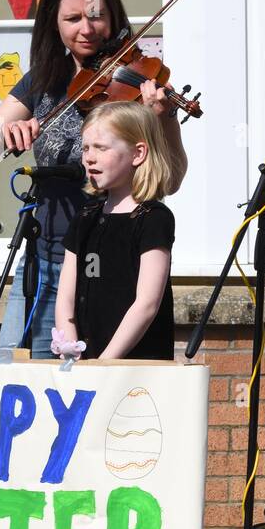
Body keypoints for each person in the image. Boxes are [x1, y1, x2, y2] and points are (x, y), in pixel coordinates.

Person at [0, 0, 186, 357]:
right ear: (53, 23)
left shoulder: (138, 81)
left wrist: (163, 118)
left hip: (117, 266)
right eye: (72, 18)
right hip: (47, 261)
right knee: (17, 373)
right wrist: (4, 137)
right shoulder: (43, 80)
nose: (86, 29)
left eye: (96, 16)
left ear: (113, 15)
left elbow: (169, 180)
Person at [53, 102, 186, 361]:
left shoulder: (153, 218)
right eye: (86, 148)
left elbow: (147, 304)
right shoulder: (85, 217)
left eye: (101, 148)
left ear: (138, 154)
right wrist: (70, 349)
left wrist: (105, 363)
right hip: (87, 363)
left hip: (135, 368)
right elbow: (65, 297)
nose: (89, 157)